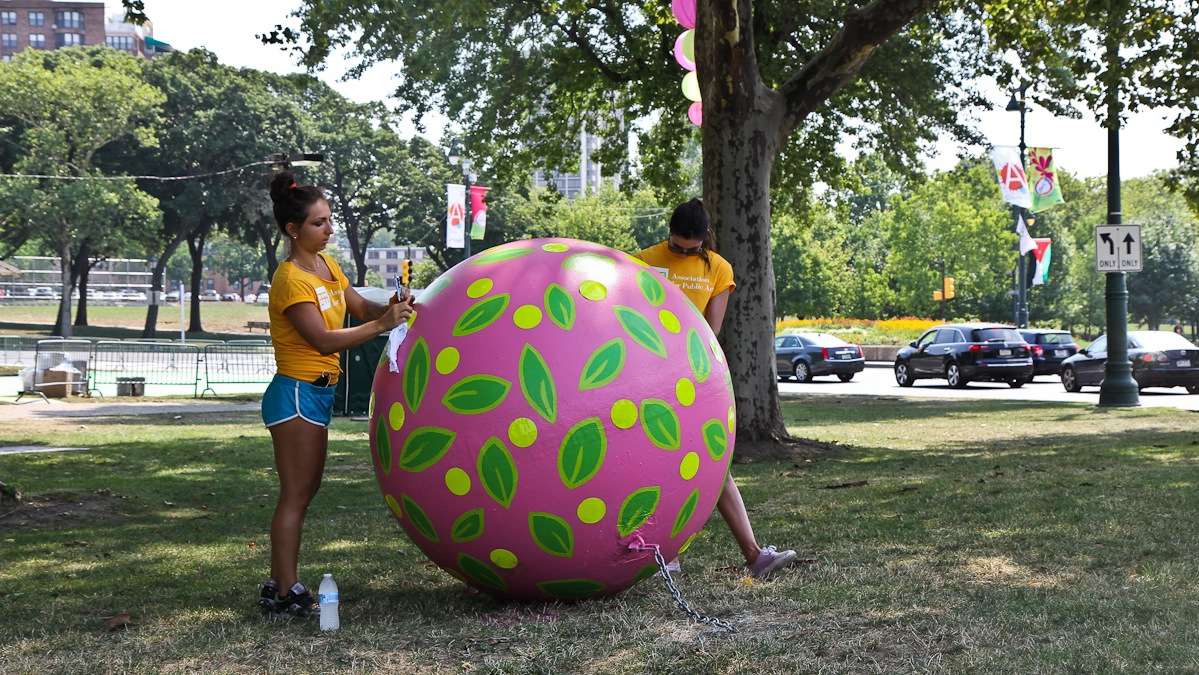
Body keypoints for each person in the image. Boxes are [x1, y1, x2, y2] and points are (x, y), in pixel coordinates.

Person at [258, 170, 412, 618]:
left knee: (305, 492)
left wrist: (394, 306)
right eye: (319, 224)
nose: (329, 230)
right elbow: (323, 340)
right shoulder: (291, 280)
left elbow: (360, 308)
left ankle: (282, 583)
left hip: (318, 395)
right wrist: (383, 326)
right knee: (296, 496)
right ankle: (285, 591)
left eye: (329, 221)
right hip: (297, 396)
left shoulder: (328, 267)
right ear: (293, 230)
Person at [636, 198, 798, 579]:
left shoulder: (719, 269)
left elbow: (711, 332)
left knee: (714, 464)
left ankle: (754, 555)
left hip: (690, 377)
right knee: (656, 462)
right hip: (644, 378)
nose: (681, 253)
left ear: (705, 238)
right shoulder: (642, 260)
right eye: (676, 246)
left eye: (690, 249)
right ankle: (666, 553)